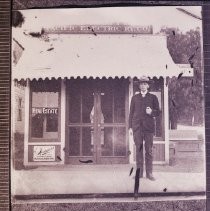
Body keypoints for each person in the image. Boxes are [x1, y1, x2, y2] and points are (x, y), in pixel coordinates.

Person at [129, 76, 160, 181]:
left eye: (144, 83)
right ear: (139, 85)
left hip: (149, 129)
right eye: (141, 83)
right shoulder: (134, 98)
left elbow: (158, 112)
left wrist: (151, 112)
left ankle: (149, 173)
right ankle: (139, 174)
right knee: (138, 151)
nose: (142, 85)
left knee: (149, 151)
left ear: (148, 85)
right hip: (137, 128)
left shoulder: (153, 98)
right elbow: (131, 114)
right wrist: (130, 127)